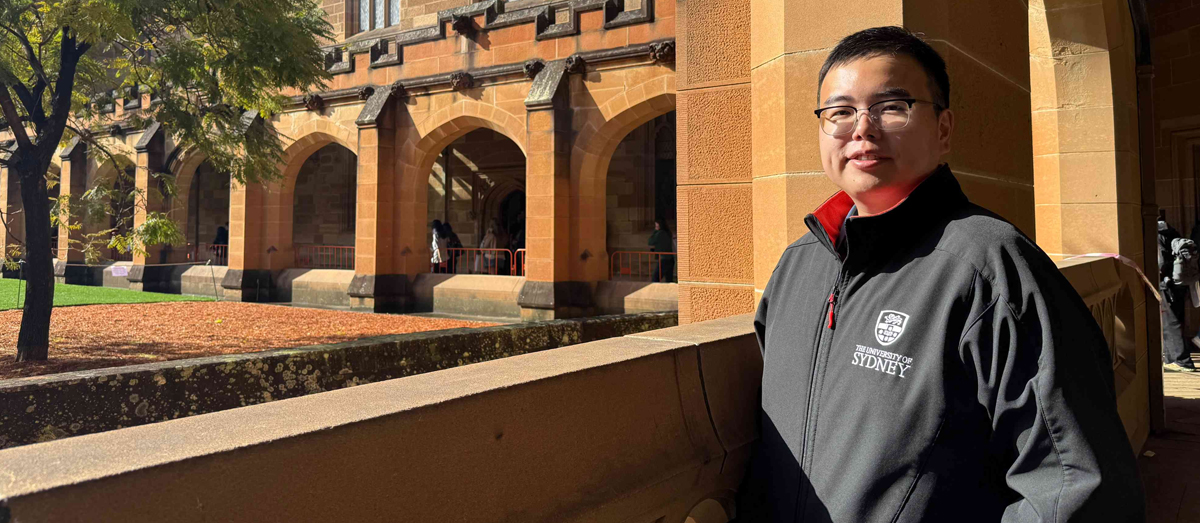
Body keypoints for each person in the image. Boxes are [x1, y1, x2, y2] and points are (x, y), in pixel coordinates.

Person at [743, 26, 1143, 522]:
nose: (862, 129)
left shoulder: (992, 269)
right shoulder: (798, 265)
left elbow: (1074, 488)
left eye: (893, 106)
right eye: (840, 112)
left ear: (943, 129)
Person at [1161, 213, 1197, 372]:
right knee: (1176, 318)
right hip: (1179, 282)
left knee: (1170, 321)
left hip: (1166, 283)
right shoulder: (1170, 230)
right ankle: (1171, 359)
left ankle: (1182, 361)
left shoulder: (1155, 234)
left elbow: (1160, 262)